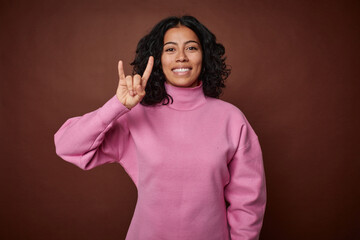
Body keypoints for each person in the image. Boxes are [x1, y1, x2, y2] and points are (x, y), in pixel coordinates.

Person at [54, 15, 266, 240]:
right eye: (170, 49)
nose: (181, 57)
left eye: (191, 48)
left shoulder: (231, 119)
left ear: (205, 56)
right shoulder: (135, 116)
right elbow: (67, 146)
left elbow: (248, 203)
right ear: (157, 59)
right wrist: (117, 106)